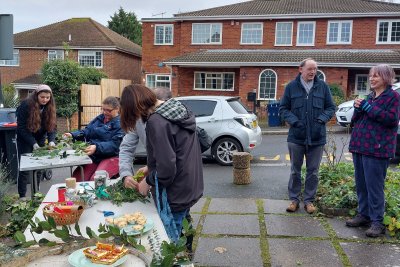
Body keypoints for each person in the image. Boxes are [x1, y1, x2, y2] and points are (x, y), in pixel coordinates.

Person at [119, 84, 203, 241]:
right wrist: (151, 167)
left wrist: (149, 181)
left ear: (136, 107)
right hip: (189, 184)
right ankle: (186, 256)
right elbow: (177, 153)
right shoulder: (177, 109)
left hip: (175, 191)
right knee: (184, 229)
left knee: (169, 242)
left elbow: (167, 168)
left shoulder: (157, 121)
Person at [345, 64, 400, 237]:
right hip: (360, 146)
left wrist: (368, 107)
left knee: (374, 187)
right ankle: (364, 215)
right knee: (361, 185)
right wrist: (358, 108)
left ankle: (377, 222)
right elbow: (356, 120)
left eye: (375, 76)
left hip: (377, 149)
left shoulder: (394, 97)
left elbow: (391, 119)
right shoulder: (370, 96)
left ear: (386, 77)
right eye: (370, 76)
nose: (372, 79)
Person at [279, 58, 335, 214]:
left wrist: (321, 119)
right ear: (300, 69)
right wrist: (295, 122)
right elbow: (283, 109)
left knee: (313, 171)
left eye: (315, 69)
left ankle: (309, 201)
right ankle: (294, 200)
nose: (313, 72)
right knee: (295, 171)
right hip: (296, 137)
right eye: (310, 69)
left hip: (317, 137)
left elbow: (331, 107)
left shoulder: (322, 87)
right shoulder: (291, 87)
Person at [63, 96, 124, 181]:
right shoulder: (100, 118)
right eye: (103, 109)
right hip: (95, 155)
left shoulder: (121, 123)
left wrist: (96, 147)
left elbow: (115, 145)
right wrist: (72, 135)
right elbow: (88, 130)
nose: (105, 112)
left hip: (112, 157)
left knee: (97, 180)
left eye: (108, 110)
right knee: (78, 178)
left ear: (117, 109)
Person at [16, 84, 57, 199]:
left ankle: (36, 193)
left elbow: (52, 126)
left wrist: (52, 141)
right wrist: (33, 143)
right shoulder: (26, 105)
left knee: (39, 167)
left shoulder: (50, 107)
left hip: (40, 138)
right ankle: (22, 196)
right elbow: (22, 128)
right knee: (25, 168)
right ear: (37, 95)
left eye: (47, 97)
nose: (45, 100)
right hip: (25, 138)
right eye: (42, 97)